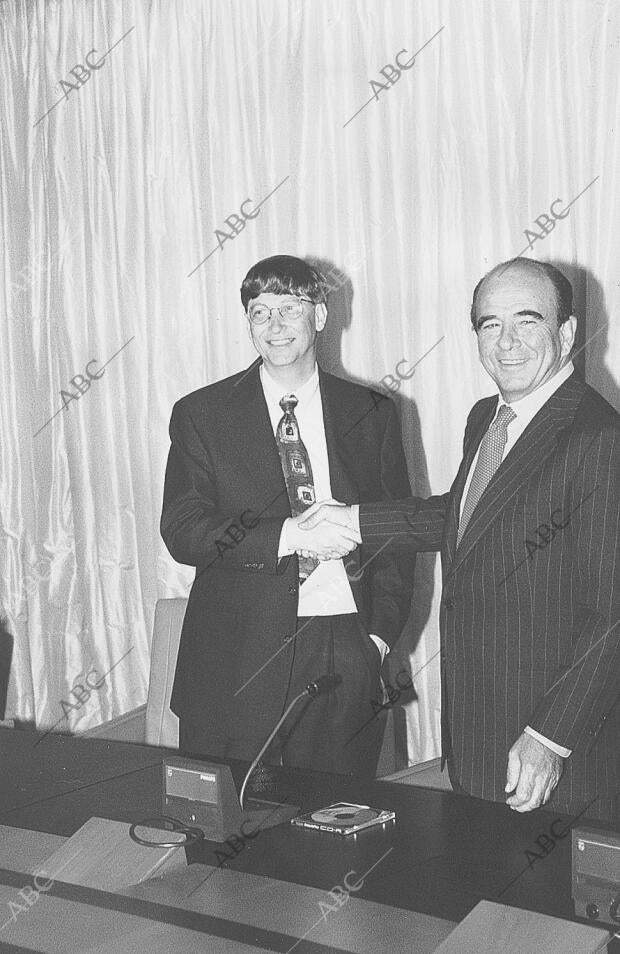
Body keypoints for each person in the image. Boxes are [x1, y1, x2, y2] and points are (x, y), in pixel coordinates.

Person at [302, 258, 620, 821]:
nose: (507, 342)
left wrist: (550, 737)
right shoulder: (488, 417)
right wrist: (354, 522)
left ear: (567, 333)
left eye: (528, 321)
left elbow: (612, 616)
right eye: (489, 324)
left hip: (555, 749)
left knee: (544, 906)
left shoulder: (599, 439)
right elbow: (470, 520)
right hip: (479, 728)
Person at [161, 255, 414, 776]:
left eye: (290, 308)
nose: (274, 326)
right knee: (231, 833)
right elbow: (183, 530)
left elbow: (398, 533)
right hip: (236, 654)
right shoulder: (202, 414)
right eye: (260, 312)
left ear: (320, 316)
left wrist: (378, 639)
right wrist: (288, 535)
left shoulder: (373, 411)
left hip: (345, 648)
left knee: (339, 821)